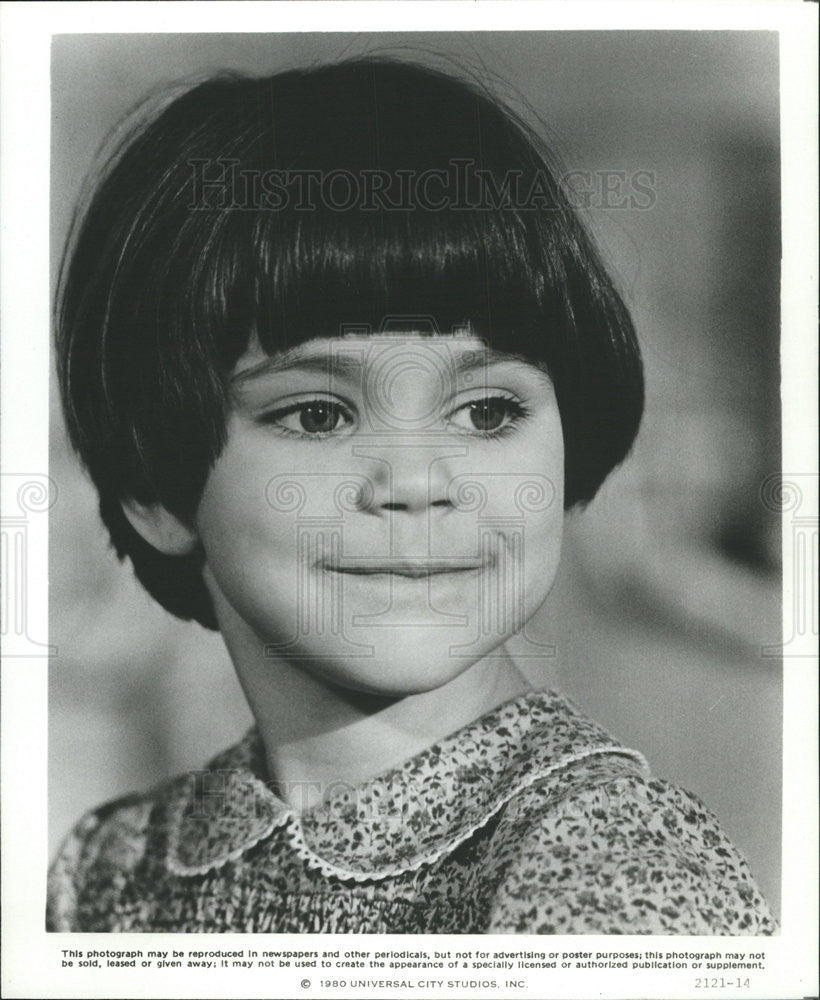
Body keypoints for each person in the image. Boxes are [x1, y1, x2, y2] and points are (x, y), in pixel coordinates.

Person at [47, 58, 776, 934]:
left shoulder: (605, 874)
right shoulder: (109, 867)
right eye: (318, 415)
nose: (418, 483)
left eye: (488, 410)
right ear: (152, 488)